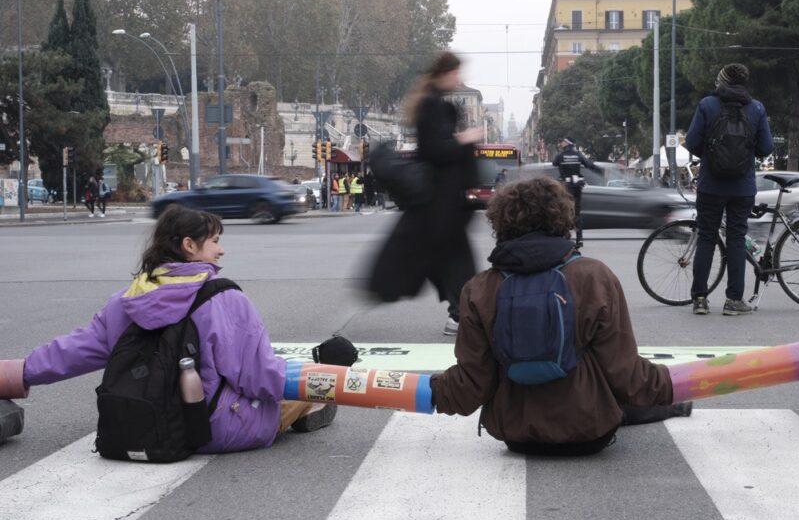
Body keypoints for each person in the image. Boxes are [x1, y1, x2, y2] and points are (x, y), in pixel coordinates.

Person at [0, 204, 355, 451]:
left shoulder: (127, 300)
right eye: (215, 241)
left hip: (144, 426)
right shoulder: (223, 299)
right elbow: (257, 377)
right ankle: (314, 398)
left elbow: (76, 350)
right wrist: (315, 374)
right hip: (212, 431)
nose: (222, 250)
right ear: (189, 246)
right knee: (285, 393)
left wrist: (15, 375)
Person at [430, 177, 689, 456]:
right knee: (604, 374)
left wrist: (428, 389)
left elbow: (472, 384)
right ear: (563, 217)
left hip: (517, 434)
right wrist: (679, 388)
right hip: (591, 432)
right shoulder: (594, 276)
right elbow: (626, 375)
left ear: (499, 223)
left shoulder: (479, 289)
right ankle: (670, 408)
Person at [368, 52, 482, 336]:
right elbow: (435, 150)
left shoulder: (433, 103)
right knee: (456, 262)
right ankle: (461, 316)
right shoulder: (431, 105)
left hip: (442, 203)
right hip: (442, 202)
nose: (459, 78)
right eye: (456, 73)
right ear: (444, 73)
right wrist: (464, 138)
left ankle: (460, 315)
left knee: (446, 261)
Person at [684, 63, 773, 316]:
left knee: (706, 238)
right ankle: (734, 300)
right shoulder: (756, 108)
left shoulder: (707, 105)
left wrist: (711, 156)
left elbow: (691, 142)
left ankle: (700, 299)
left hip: (711, 184)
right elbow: (766, 148)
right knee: (736, 240)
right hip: (742, 187)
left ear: (720, 82)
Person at [552, 137, 601, 249]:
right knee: (577, 214)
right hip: (576, 187)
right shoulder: (578, 154)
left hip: (565, 187)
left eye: (563, 141)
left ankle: (565, 238)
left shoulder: (561, 155)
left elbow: (554, 163)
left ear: (567, 143)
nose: (561, 143)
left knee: (563, 212)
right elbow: (589, 164)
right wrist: (600, 171)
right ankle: (580, 239)